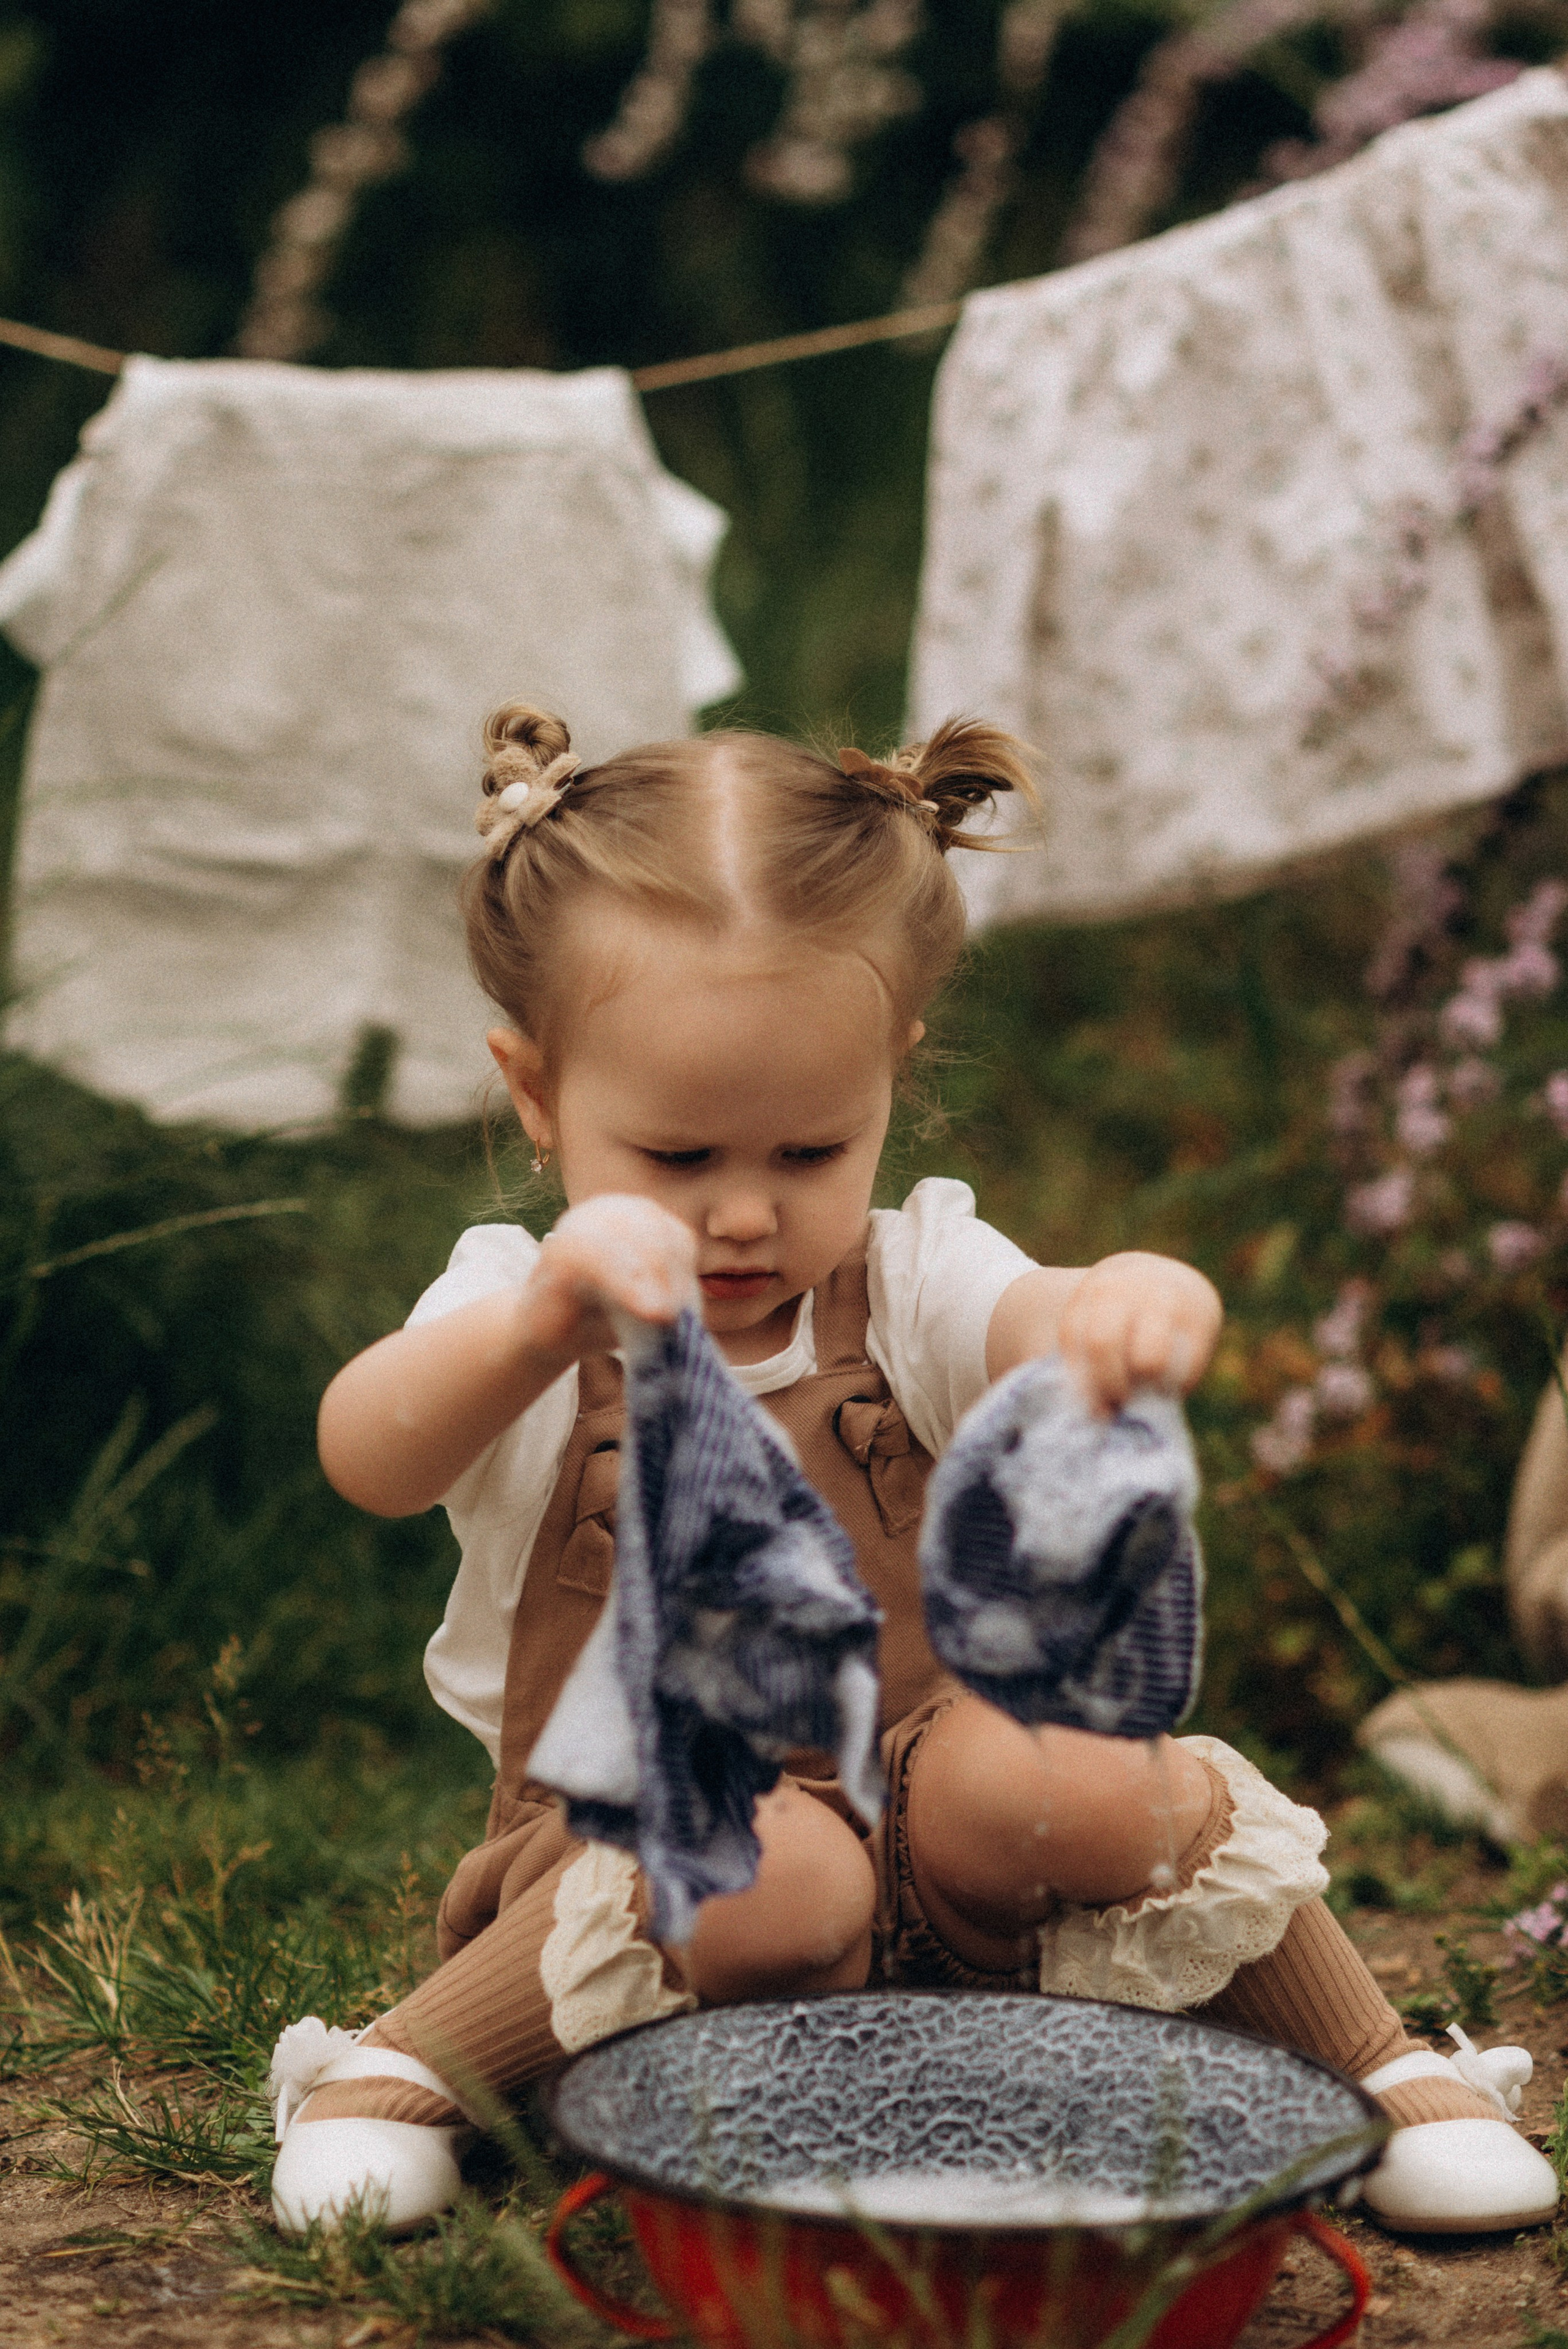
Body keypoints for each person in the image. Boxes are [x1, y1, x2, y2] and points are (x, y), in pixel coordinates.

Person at [268, 704, 1556, 2239]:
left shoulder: (910, 1275)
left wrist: (1125, 1304)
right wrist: (542, 1324)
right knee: (773, 1870)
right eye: (677, 1159)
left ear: (891, 1076)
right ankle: (399, 2070)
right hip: (661, 1885)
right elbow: (372, 1452)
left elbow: (1031, 1319)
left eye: (809, 1152)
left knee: (1072, 1776)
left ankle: (1386, 2067)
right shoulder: (525, 1308)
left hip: (941, 1875)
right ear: (537, 1097)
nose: (743, 1216)